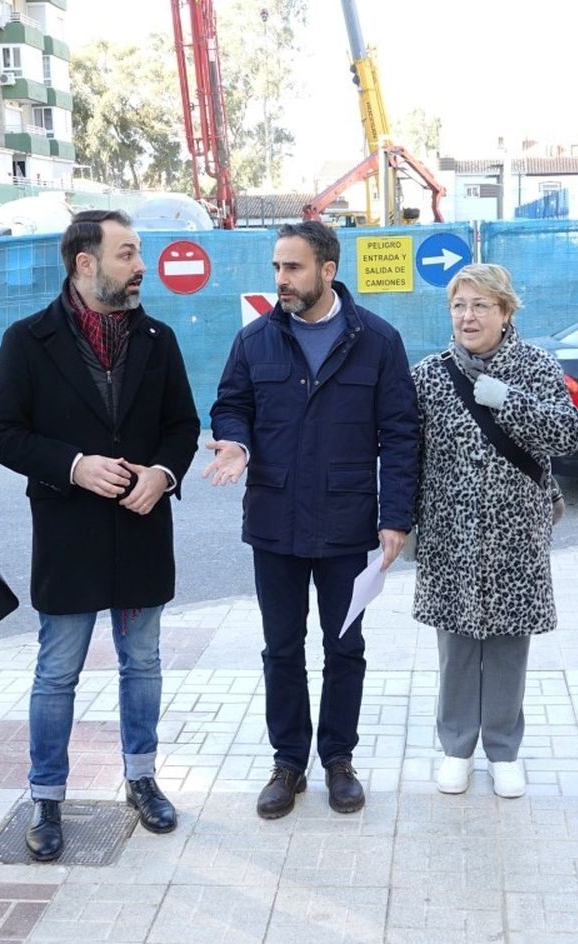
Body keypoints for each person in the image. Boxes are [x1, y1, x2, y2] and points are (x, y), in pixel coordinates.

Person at [0, 209, 199, 858]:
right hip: (69, 537)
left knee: (143, 664)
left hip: (141, 532)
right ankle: (46, 798)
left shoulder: (158, 339)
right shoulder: (28, 340)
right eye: (128, 254)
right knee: (57, 673)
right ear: (85, 264)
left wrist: (163, 472)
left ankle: (142, 779)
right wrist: (74, 466)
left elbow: (182, 426)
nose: (140, 266)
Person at [205, 220, 418, 819]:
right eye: (277, 267)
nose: (281, 280)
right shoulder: (256, 341)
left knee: (344, 646)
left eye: (293, 268)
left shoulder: (377, 340)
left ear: (328, 271)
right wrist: (237, 444)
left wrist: (395, 516)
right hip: (274, 520)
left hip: (349, 524)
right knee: (281, 647)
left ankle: (338, 760)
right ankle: (288, 762)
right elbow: (231, 405)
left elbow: (400, 434)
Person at [410, 263, 578, 799]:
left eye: (481, 305)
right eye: (459, 305)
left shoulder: (536, 367)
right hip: (450, 535)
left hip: (515, 535)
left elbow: (566, 434)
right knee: (456, 645)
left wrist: (507, 400)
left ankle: (504, 749)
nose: (468, 316)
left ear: (506, 312)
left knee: (508, 644)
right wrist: (403, 521)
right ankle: (456, 747)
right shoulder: (430, 375)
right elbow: (405, 452)